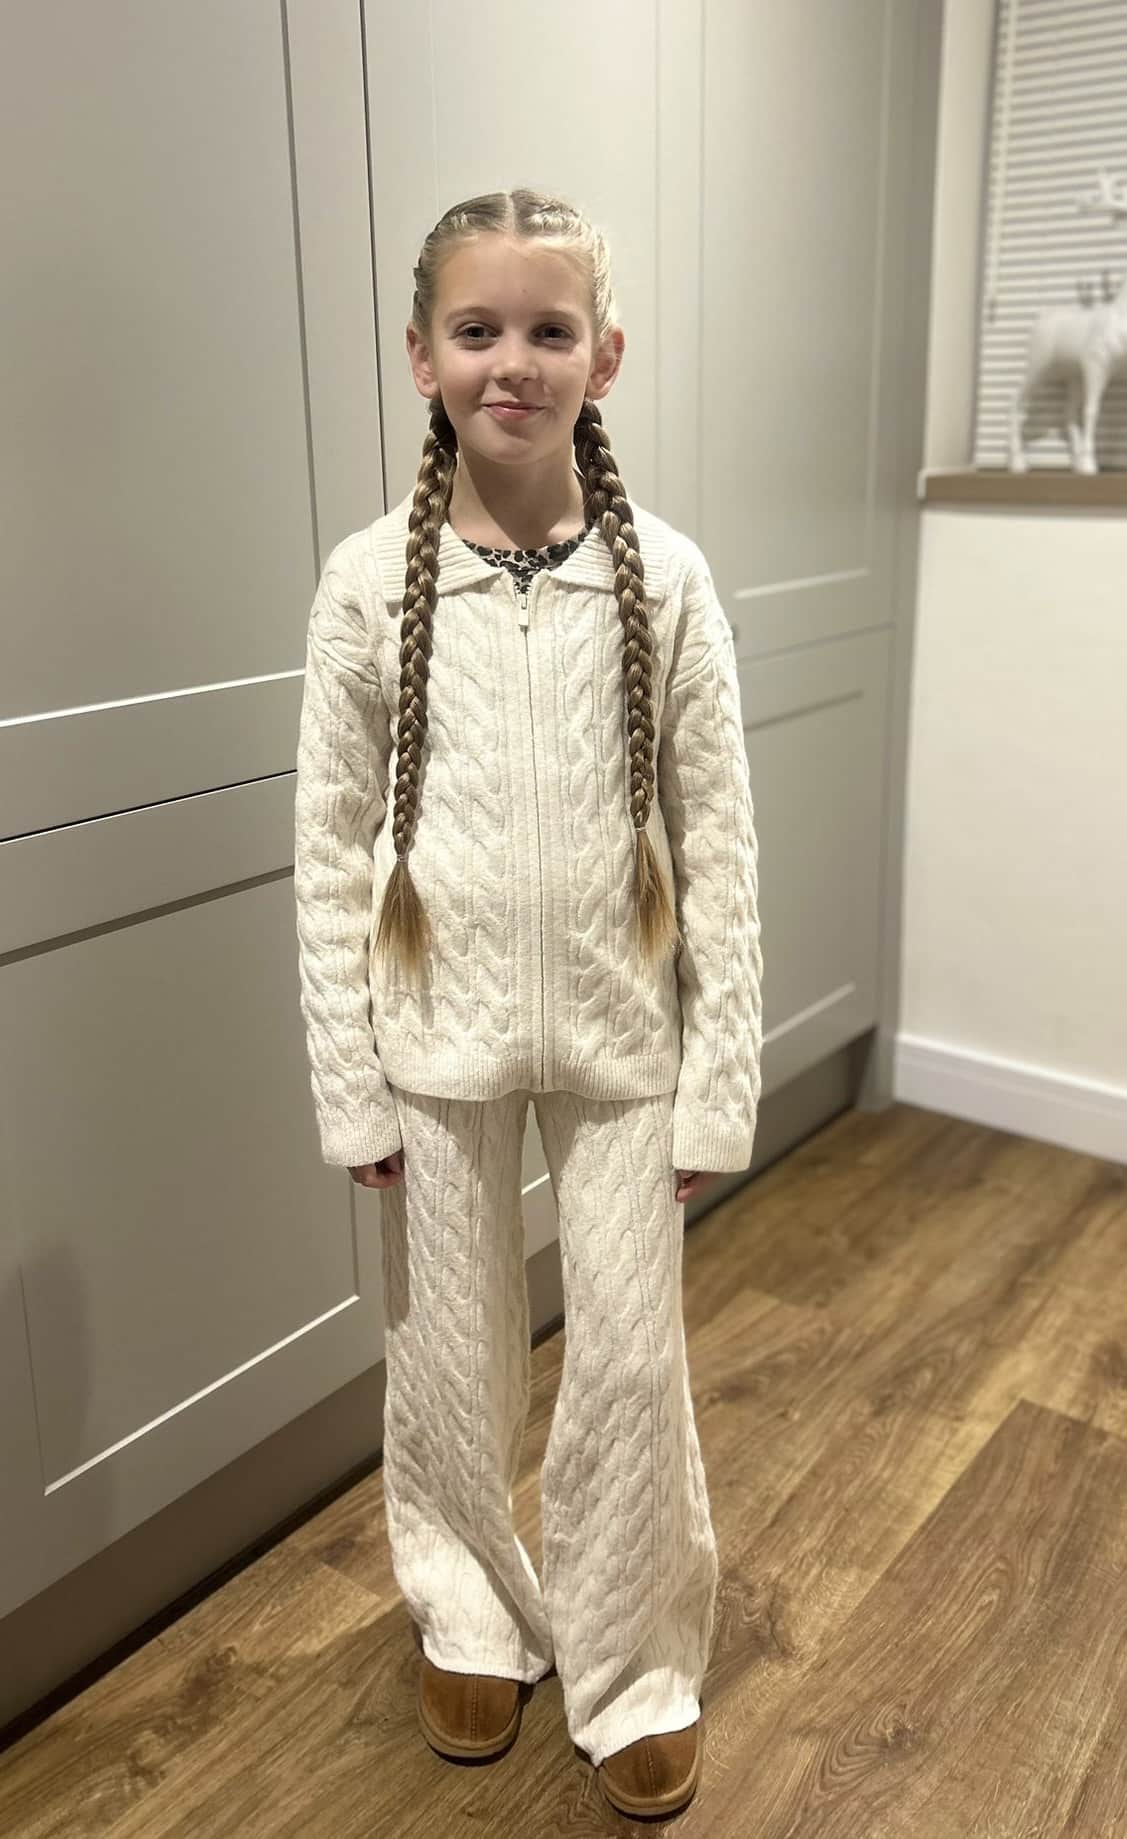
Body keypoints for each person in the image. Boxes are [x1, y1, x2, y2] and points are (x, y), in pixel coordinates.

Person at [293, 188, 763, 1821]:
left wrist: (719, 1082)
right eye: (478, 329)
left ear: (603, 357)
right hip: (432, 1045)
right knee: (451, 1359)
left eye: (549, 331)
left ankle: (633, 1663)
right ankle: (474, 1617)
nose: (515, 361)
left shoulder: (667, 581)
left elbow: (723, 848)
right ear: (420, 355)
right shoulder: (367, 584)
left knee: (630, 1365)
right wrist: (351, 1082)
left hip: (629, 1049)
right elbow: (327, 852)